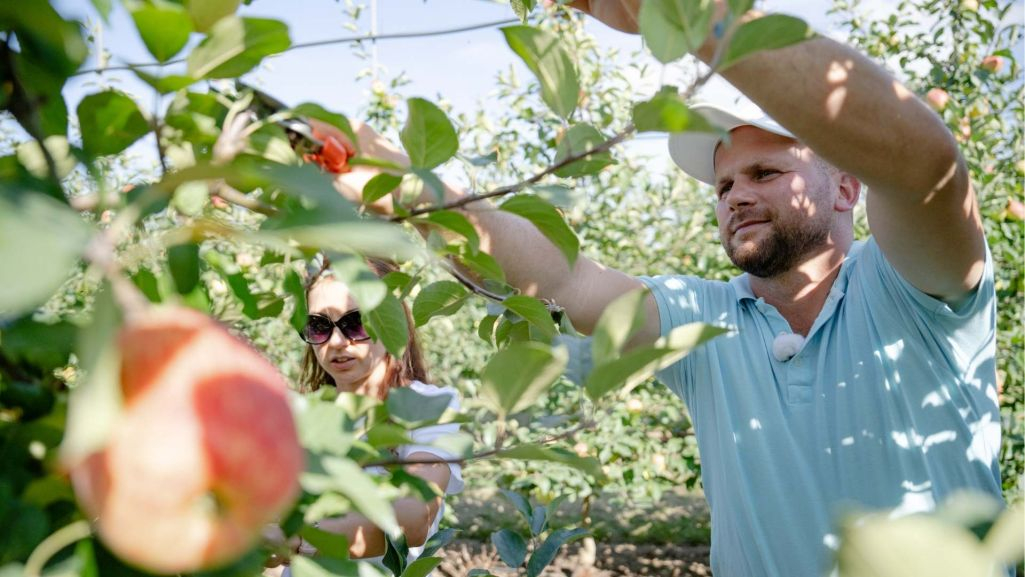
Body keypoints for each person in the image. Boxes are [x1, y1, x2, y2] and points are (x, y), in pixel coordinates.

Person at [311, 1, 1005, 575]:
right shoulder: (708, 321)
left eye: (765, 173)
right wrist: (417, 194)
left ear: (847, 189)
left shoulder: (914, 288)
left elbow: (926, 168)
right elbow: (564, 278)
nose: (734, 196)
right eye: (723, 185)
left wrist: (682, 13)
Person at [265, 256, 464, 575]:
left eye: (355, 323)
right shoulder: (301, 416)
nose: (337, 342)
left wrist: (300, 539)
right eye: (319, 326)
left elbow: (413, 518)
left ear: (390, 320)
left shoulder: (429, 406)